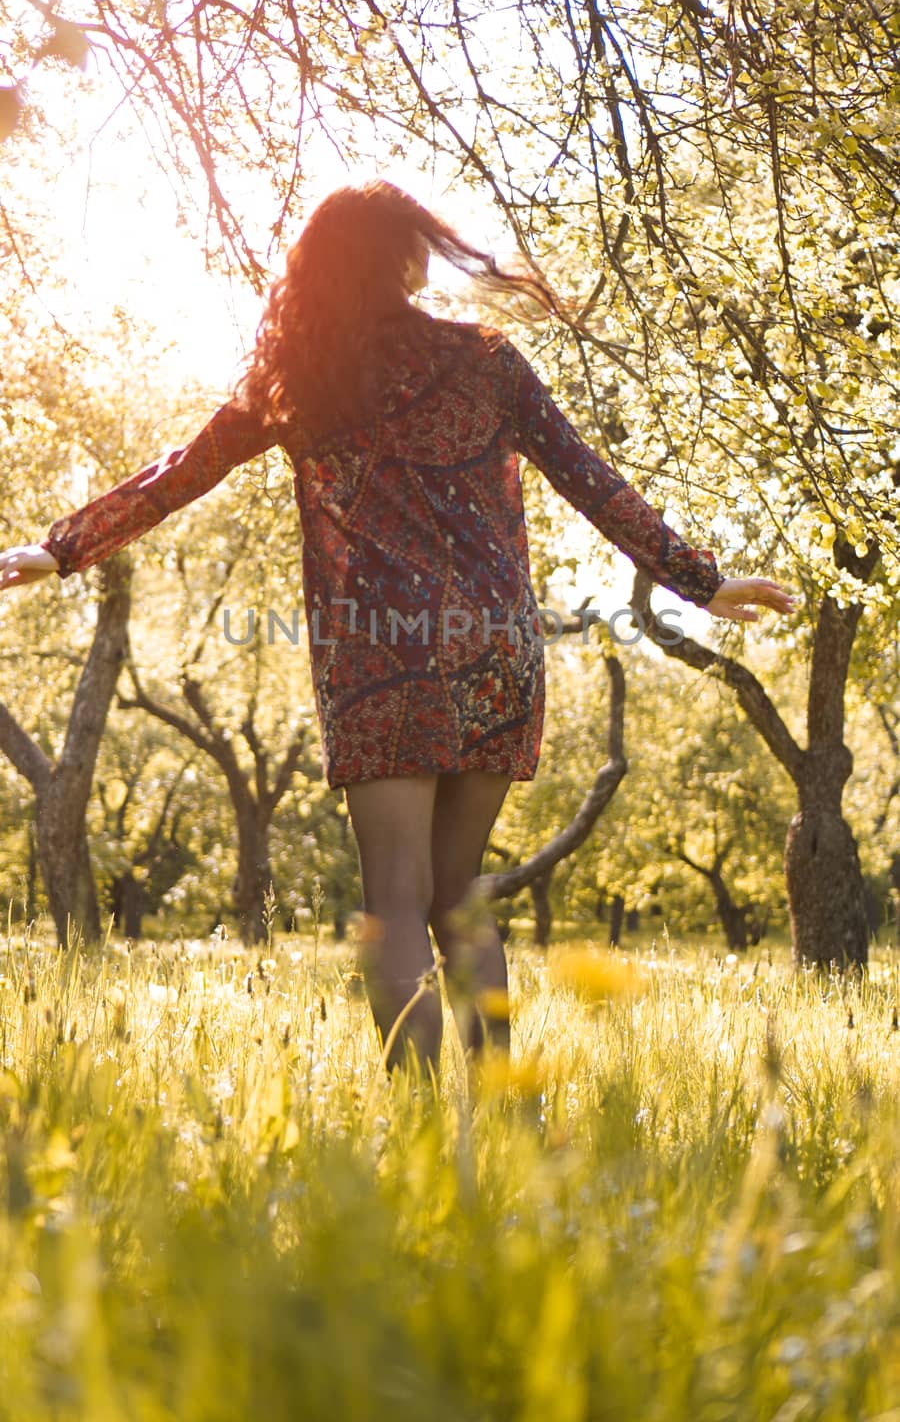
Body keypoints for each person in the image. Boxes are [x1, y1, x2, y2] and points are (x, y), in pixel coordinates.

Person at [0, 181, 797, 1074]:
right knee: (459, 896)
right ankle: (500, 1109)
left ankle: (419, 1134)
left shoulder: (298, 377)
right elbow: (591, 478)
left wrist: (62, 547)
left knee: (397, 894)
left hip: (380, 657)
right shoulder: (487, 360)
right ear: (408, 257)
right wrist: (703, 582)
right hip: (496, 651)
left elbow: (181, 472)